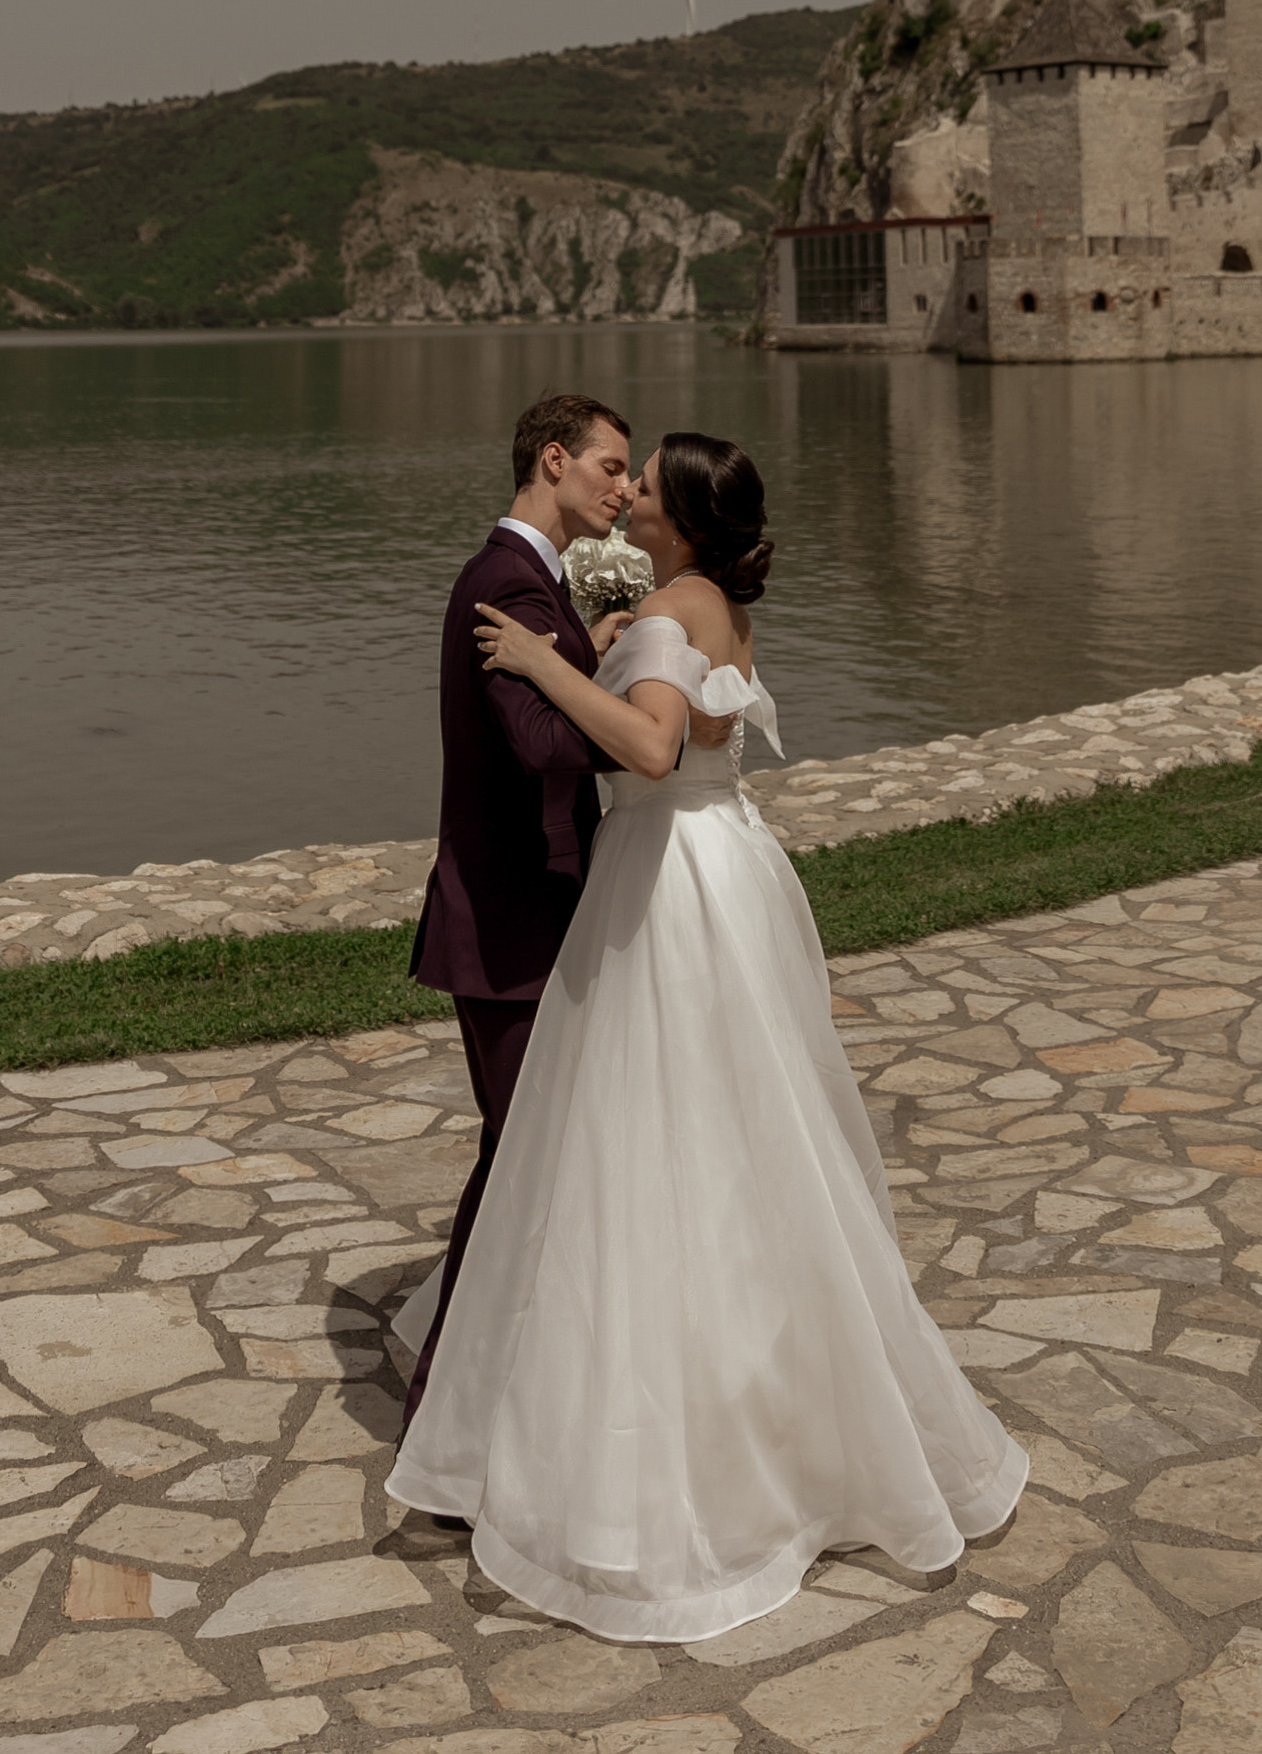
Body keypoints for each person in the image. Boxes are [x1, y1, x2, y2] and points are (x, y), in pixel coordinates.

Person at [388, 429, 1027, 1642]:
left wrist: (537, 654)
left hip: (667, 875)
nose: (626, 492)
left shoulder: (671, 604)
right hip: (731, 865)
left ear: (677, 515)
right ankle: (787, 1407)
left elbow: (647, 745)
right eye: (615, 472)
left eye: (645, 481)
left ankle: (662, 1449)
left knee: (646, 1148)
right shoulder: (719, 603)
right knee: (751, 1141)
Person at [398, 391, 637, 1431]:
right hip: (509, 923)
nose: (624, 489)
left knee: (531, 1160)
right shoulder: (508, 584)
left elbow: (539, 712)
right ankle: (445, 1416)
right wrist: (636, 718)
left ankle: (515, 1400)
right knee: (518, 1169)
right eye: (611, 467)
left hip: (522, 916)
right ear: (554, 458)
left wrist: (584, 649)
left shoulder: (531, 586)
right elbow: (543, 745)